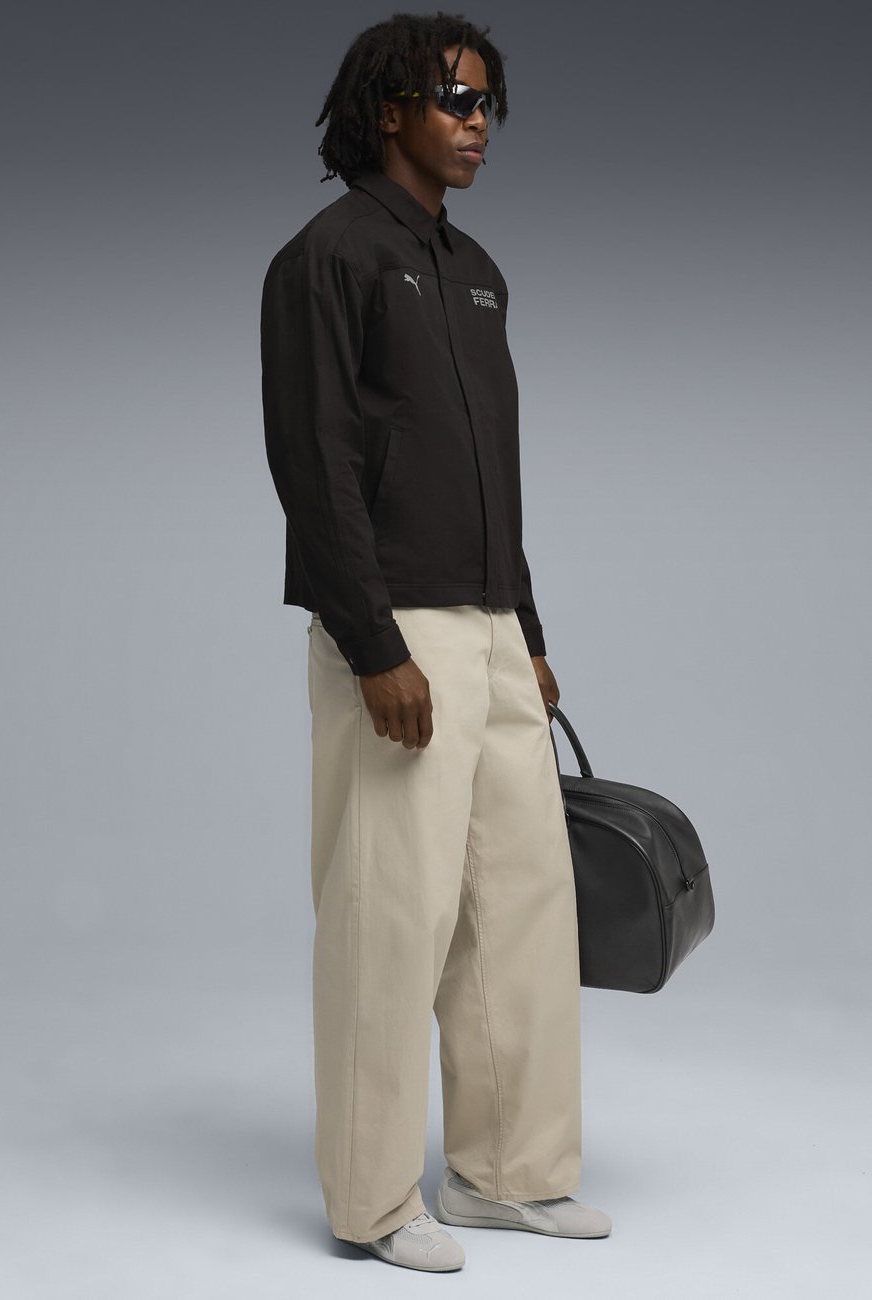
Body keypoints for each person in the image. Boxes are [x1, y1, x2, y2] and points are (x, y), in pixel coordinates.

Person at [260, 11, 612, 1273]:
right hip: (394, 626)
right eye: (455, 99)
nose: (477, 124)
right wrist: (370, 645)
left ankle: (504, 1173)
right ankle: (370, 1201)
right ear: (390, 111)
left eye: (486, 104)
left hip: (489, 623)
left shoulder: (476, 272)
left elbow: (492, 472)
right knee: (388, 914)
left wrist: (528, 628)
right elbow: (315, 464)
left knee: (523, 905)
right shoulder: (325, 258)